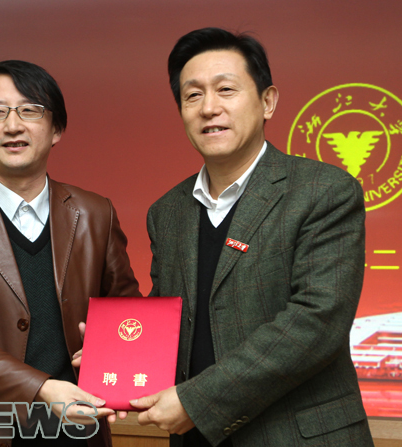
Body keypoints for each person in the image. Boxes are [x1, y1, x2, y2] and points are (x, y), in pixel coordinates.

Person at [130, 28, 374, 446]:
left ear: (267, 102)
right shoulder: (166, 212)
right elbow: (174, 317)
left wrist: (197, 401)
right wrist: (120, 347)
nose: (209, 108)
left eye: (226, 89)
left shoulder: (324, 191)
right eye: (192, 95)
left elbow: (317, 321)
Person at [0, 60, 140, 447]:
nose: (12, 125)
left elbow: (128, 313)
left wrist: (110, 351)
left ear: (57, 129)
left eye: (29, 110)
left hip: (78, 432)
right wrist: (43, 389)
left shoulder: (96, 214)